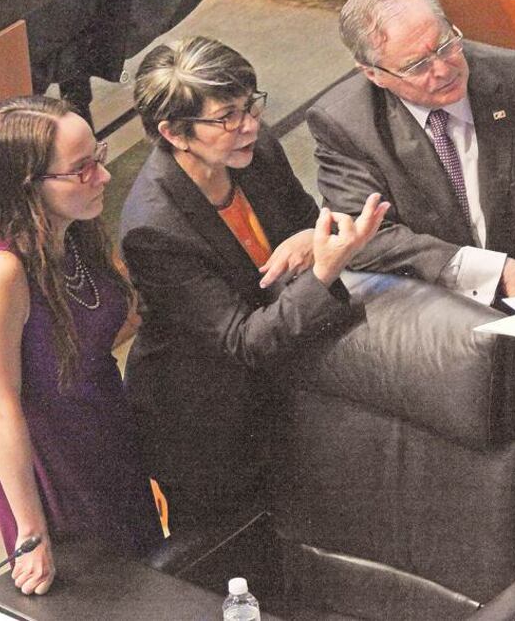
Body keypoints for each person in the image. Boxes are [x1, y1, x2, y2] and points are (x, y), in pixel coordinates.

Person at [121, 36, 387, 529]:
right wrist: (326, 268)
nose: (250, 124)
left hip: (279, 387)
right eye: (227, 117)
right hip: (205, 422)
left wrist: (315, 236)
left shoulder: (256, 151)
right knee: (238, 559)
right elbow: (245, 340)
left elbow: (307, 223)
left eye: (251, 105)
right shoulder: (153, 229)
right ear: (175, 132)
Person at [0, 96, 162, 595]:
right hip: (52, 464)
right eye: (81, 170)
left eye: (98, 158)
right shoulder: (0, 271)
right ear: (26, 185)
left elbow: (94, 329)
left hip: (106, 432)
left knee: (149, 584)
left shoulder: (73, 231)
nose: (103, 177)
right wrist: (30, 532)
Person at [308, 0, 515, 305]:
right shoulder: (346, 124)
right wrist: (491, 272)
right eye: (417, 66)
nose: (443, 69)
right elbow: (364, 237)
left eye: (445, 45)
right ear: (374, 74)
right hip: (438, 307)